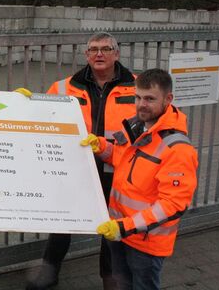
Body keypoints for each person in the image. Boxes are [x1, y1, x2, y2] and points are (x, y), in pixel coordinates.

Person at [28, 32, 136, 290]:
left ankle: (111, 281)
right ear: (86, 55)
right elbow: (44, 117)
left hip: (117, 167)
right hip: (75, 168)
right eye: (94, 49)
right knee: (63, 223)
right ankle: (48, 274)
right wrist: (27, 103)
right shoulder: (65, 87)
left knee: (111, 230)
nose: (99, 54)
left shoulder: (137, 85)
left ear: (116, 54)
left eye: (106, 49)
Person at [84, 68, 198, 290]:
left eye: (149, 99)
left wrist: (125, 227)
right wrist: (102, 147)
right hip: (119, 232)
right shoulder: (136, 127)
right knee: (122, 284)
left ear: (168, 99)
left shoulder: (177, 149)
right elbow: (121, 158)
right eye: (138, 97)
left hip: (145, 242)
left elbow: (173, 205)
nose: (141, 104)